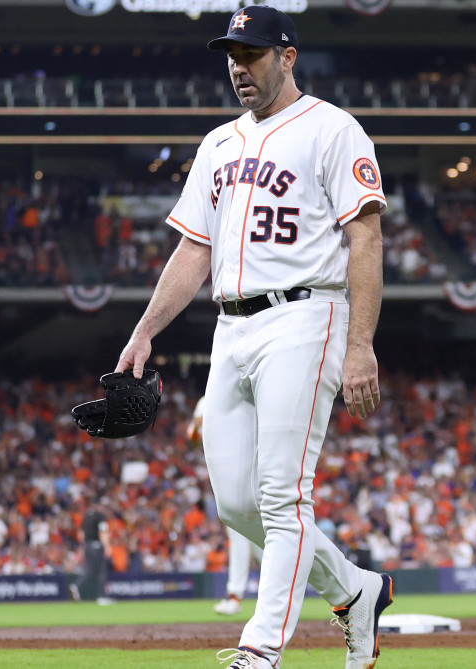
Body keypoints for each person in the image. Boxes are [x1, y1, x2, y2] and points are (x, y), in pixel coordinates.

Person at [113, 7, 393, 668]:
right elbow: (192, 253)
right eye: (233, 55)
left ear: (288, 56)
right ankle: (358, 588)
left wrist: (360, 343)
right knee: (238, 503)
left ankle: (259, 649)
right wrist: (145, 329)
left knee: (281, 496)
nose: (240, 67)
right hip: (229, 327)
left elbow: (366, 236)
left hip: (307, 315)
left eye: (254, 54)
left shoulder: (332, 128)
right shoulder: (217, 144)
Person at [190, 395, 261, 617]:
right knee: (263, 544)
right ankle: (309, 582)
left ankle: (234, 596)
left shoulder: (249, 396)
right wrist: (201, 423)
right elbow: (192, 433)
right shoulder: (206, 399)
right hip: (229, 473)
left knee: (242, 535)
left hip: (249, 472)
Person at [69, 499, 115, 606]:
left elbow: (81, 533)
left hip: (88, 546)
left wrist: (83, 547)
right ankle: (102, 597)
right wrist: (107, 547)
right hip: (97, 546)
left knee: (89, 571)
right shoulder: (100, 517)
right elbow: (103, 532)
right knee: (102, 571)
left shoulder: (86, 516)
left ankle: (76, 586)